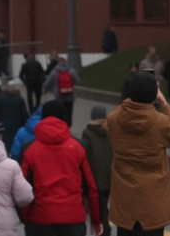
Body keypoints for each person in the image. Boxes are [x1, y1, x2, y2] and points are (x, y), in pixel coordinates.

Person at [105, 71, 170, 236]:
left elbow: (114, 119)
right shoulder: (160, 123)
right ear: (153, 95)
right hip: (153, 204)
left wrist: (130, 100)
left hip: (124, 203)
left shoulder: (114, 120)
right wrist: (164, 103)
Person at [20, 100, 103, 236]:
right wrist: (96, 219)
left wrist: (26, 218)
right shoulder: (79, 147)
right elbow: (92, 188)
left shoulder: (29, 149)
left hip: (41, 218)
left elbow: (22, 189)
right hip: (73, 219)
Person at [81, 106, 113, 236]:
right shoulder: (111, 130)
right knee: (105, 203)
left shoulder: (87, 133)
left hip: (95, 177)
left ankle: (104, 229)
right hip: (110, 175)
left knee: (100, 207)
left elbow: (85, 154)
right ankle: (106, 228)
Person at [0, 80, 30, 153]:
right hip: (16, 126)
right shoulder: (19, 100)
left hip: (3, 124)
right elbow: (24, 115)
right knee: (15, 143)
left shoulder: (0, 98)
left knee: (5, 144)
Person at [42, 58, 79, 125]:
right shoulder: (71, 71)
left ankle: (61, 127)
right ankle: (68, 128)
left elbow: (48, 83)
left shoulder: (54, 72)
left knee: (60, 113)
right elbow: (77, 81)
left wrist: (45, 89)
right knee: (69, 113)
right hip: (70, 96)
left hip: (59, 97)